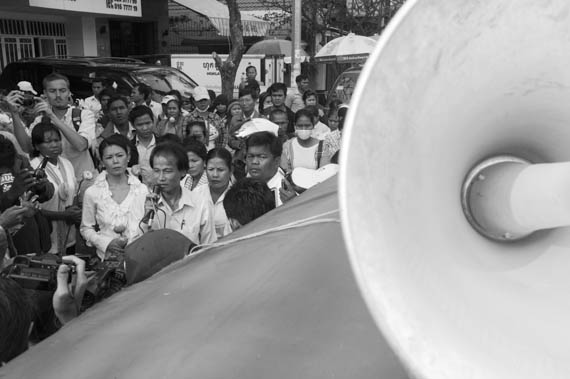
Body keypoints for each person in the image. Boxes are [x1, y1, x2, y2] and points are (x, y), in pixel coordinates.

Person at [81, 135, 148, 261]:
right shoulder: (93, 192)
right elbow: (86, 228)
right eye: (109, 157)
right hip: (108, 259)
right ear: (101, 161)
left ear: (128, 157)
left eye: (120, 155)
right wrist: (105, 243)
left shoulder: (142, 190)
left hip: (140, 258)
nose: (115, 161)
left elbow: (148, 224)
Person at [29, 73, 97, 181]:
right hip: (54, 182)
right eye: (52, 91)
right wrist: (15, 115)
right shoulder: (40, 120)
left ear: (69, 92)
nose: (58, 95)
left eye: (62, 90)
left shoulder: (84, 115)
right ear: (45, 93)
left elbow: (81, 145)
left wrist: (52, 116)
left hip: (83, 180)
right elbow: (28, 148)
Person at [148, 142, 217, 245]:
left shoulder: (200, 204)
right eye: (157, 171)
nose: (161, 178)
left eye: (167, 171)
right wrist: (146, 218)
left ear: (183, 171)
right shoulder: (143, 202)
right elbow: (133, 247)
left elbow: (209, 247)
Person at [30, 122, 80, 255]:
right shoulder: (33, 167)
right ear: (36, 146)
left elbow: (73, 192)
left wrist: (73, 210)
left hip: (69, 232)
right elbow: (32, 208)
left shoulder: (67, 163)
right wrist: (63, 215)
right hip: (47, 232)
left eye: (57, 140)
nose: (54, 145)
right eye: (48, 142)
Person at [194, 148, 234, 238]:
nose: (215, 175)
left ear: (231, 170)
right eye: (211, 169)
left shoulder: (238, 196)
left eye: (220, 170)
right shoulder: (196, 194)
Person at [245, 131, 288, 207]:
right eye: (250, 156)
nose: (254, 162)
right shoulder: (244, 184)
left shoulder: (285, 194)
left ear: (277, 161)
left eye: (262, 157)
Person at [95, 95, 138, 167]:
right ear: (108, 113)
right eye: (114, 109)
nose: (118, 112)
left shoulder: (139, 129)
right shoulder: (103, 138)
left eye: (122, 108)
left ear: (128, 109)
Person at [281, 109, 325, 174]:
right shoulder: (287, 146)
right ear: (295, 126)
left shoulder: (322, 147)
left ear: (313, 125)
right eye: (300, 126)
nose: (304, 129)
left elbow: (325, 172)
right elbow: (285, 169)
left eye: (307, 126)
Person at [184, 86, 224, 150]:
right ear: (194, 101)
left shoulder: (216, 117)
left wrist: (218, 151)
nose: (203, 103)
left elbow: (223, 136)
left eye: (205, 100)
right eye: (200, 100)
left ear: (209, 100)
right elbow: (185, 137)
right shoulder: (188, 118)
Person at [130, 105, 157, 185]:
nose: (145, 128)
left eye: (148, 123)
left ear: (153, 121)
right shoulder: (129, 147)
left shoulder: (163, 144)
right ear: (133, 125)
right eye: (140, 125)